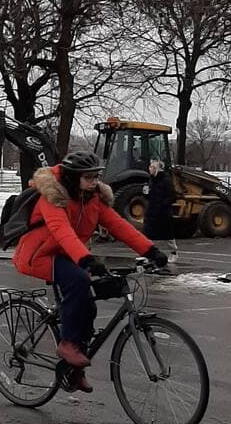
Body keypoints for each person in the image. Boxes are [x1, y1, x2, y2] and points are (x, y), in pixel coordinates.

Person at [11, 149, 167, 393]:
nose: (95, 181)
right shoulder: (52, 197)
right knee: (78, 282)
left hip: (69, 253)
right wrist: (86, 259)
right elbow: (61, 231)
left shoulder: (92, 199)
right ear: (74, 178)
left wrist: (150, 250)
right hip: (39, 255)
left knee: (89, 305)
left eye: (96, 176)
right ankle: (67, 344)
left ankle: (75, 370)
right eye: (89, 177)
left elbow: (119, 225)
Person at [142, 158, 179, 262]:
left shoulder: (166, 180)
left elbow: (172, 196)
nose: (150, 169)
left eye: (152, 167)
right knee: (147, 234)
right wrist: (145, 193)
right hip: (151, 211)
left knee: (167, 235)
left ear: (157, 168)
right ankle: (148, 254)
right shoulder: (151, 180)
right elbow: (150, 196)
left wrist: (163, 205)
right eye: (150, 167)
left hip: (163, 212)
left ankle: (173, 252)